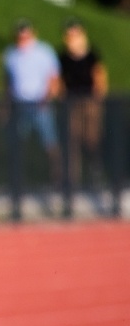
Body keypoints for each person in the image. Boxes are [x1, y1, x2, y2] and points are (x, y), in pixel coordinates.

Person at [2, 19, 61, 207]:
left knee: (50, 143)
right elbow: (7, 83)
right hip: (20, 105)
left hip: (41, 104)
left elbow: (53, 78)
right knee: (19, 144)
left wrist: (48, 97)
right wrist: (4, 105)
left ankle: (58, 182)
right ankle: (21, 182)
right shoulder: (11, 54)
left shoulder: (44, 52)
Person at [58, 18, 109, 210]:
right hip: (72, 103)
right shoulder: (63, 56)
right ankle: (73, 181)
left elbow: (99, 76)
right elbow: (60, 79)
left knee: (92, 139)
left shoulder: (91, 54)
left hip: (89, 101)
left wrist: (98, 97)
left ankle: (96, 173)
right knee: (73, 140)